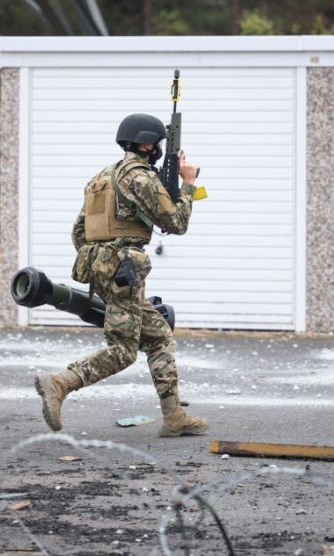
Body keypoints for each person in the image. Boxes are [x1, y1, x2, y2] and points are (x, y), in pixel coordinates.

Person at [34, 113, 209, 437]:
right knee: (123, 350)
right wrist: (187, 184)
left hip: (105, 267)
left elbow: (78, 232)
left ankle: (174, 418)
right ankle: (60, 383)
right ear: (144, 144)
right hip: (123, 271)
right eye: (156, 144)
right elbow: (176, 224)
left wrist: (101, 260)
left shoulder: (102, 177)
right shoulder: (140, 178)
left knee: (158, 336)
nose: (157, 149)